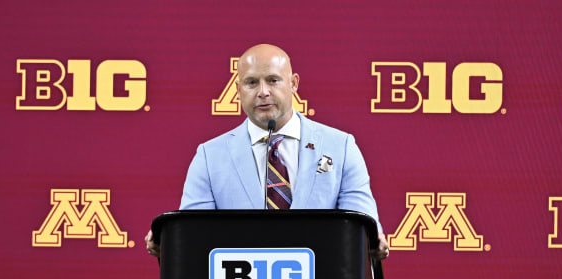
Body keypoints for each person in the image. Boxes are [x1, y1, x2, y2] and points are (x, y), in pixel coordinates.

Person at [146, 44, 388, 262]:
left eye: (273, 80)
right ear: (238, 89)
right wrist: (170, 240)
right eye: (251, 82)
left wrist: (372, 240)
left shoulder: (340, 147)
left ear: (293, 83)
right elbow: (192, 234)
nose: (262, 92)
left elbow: (362, 225)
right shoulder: (210, 156)